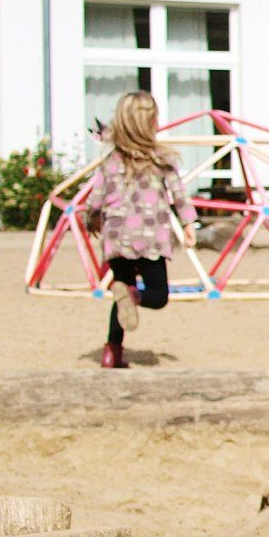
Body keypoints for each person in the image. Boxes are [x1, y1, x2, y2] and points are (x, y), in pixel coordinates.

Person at [83, 90, 198, 370]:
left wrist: (92, 220)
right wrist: (188, 223)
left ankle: (112, 353)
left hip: (117, 236)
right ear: (152, 122)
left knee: (121, 291)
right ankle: (134, 296)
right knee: (157, 296)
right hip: (150, 238)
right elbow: (179, 194)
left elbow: (96, 196)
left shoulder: (112, 160)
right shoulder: (160, 159)